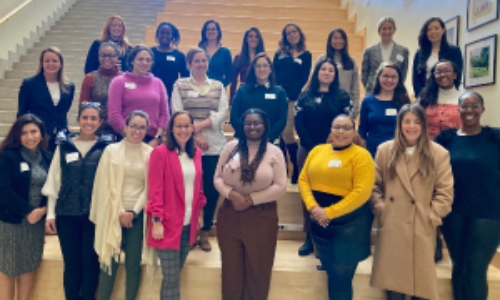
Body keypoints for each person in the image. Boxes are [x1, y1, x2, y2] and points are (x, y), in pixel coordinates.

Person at [371, 104, 453, 300]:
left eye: (417, 122)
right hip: (392, 224)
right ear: (399, 124)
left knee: (421, 288)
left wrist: (431, 217)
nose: (411, 126)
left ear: (424, 125)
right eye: (407, 121)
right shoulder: (385, 150)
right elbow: (374, 187)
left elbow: (445, 192)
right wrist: (382, 210)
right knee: (394, 286)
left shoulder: (438, 153)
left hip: (421, 226)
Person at [298, 114, 375, 300]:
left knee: (341, 280)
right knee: (331, 272)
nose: (341, 131)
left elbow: (362, 192)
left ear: (354, 131)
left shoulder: (362, 155)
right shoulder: (317, 150)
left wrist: (328, 212)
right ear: (331, 130)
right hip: (321, 223)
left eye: (347, 128)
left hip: (349, 226)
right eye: (337, 127)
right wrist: (313, 207)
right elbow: (303, 179)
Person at [214, 108, 287, 300]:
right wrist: (232, 194)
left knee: (258, 268)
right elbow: (217, 178)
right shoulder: (231, 148)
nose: (252, 127)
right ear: (242, 126)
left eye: (257, 123)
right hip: (230, 214)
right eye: (248, 123)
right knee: (231, 268)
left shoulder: (275, 152)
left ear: (265, 126)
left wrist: (251, 200)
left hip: (262, 216)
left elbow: (280, 186)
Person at [435, 92, 500, 300]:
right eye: (465, 105)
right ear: (458, 109)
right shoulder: (446, 139)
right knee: (459, 265)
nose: (469, 110)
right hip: (453, 212)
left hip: (487, 214)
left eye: (474, 105)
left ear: (482, 109)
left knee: (475, 268)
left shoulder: (495, 138)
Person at [42, 103, 108, 300]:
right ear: (78, 120)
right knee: (71, 263)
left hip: (93, 216)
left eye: (93, 118)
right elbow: (54, 180)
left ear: (100, 122)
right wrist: (51, 213)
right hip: (66, 214)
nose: (89, 122)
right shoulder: (64, 146)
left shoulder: (106, 148)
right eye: (85, 117)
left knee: (90, 262)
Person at [90, 110, 155, 300]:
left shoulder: (150, 153)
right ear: (125, 127)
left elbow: (150, 188)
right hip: (113, 211)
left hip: (137, 213)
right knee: (108, 260)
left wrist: (133, 212)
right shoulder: (111, 151)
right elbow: (105, 184)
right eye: (133, 126)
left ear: (147, 130)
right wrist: (120, 212)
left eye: (142, 127)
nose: (137, 131)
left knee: (134, 263)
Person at [171, 47, 228, 251]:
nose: (201, 64)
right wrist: (194, 134)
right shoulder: (180, 85)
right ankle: (189, 232)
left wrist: (200, 127)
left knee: (210, 193)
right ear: (189, 64)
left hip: (214, 147)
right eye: (197, 61)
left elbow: (222, 113)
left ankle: (204, 233)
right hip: (187, 146)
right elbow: (178, 112)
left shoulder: (218, 85)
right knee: (188, 191)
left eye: (204, 60)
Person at [295, 57, 352, 257]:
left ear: (335, 75)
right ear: (317, 72)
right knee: (308, 193)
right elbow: (299, 122)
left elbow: (345, 124)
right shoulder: (305, 95)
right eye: (323, 69)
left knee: (331, 192)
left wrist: (331, 145)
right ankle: (310, 236)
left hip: (336, 150)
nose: (327, 72)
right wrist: (313, 147)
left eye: (330, 70)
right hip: (308, 149)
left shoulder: (342, 96)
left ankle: (329, 236)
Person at [147, 111, 206, 300]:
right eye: (178, 126)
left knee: (173, 276)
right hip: (166, 224)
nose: (183, 130)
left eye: (187, 125)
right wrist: (156, 220)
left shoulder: (196, 152)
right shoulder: (160, 153)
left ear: (192, 128)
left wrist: (200, 215)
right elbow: (155, 190)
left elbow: (199, 187)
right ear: (171, 129)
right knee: (172, 278)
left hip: (188, 223)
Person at [0, 114, 51, 300]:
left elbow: (54, 189)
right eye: (24, 133)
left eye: (34, 131)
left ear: (41, 133)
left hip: (35, 223)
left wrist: (43, 211)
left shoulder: (48, 157)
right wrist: (27, 211)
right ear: (17, 135)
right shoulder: (8, 157)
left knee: (29, 265)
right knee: (9, 268)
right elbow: (4, 191)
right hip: (12, 222)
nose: (30, 137)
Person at [273, 23, 312, 184]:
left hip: (294, 98)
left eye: (294, 32)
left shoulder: (306, 54)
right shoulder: (280, 54)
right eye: (288, 33)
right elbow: (274, 73)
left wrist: (291, 94)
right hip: (278, 97)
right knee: (279, 133)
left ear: (299, 33)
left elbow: (304, 77)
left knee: (288, 133)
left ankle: (296, 169)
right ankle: (283, 169)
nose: (291, 35)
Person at [108, 45, 169, 146]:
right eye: (140, 59)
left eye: (148, 60)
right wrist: (132, 137)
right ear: (132, 61)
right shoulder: (118, 82)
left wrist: (157, 139)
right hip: (126, 138)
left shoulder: (158, 83)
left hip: (152, 141)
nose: (144, 63)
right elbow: (114, 115)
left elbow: (164, 114)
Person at [17, 47, 75, 152]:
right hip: (38, 135)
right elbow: (22, 113)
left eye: (54, 61)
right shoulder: (29, 84)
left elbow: (64, 110)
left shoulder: (69, 86)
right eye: (47, 60)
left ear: (60, 63)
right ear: (42, 63)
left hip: (60, 135)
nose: (50, 64)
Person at [230, 52, 287, 142]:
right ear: (253, 69)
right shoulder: (242, 91)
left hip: (270, 142)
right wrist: (249, 136)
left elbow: (281, 120)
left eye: (265, 66)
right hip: (244, 140)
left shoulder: (279, 92)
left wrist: (268, 138)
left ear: (270, 69)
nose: (262, 69)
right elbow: (234, 117)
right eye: (258, 66)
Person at [358, 62, 411, 157]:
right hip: (373, 151)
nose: (389, 80)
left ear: (399, 80)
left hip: (398, 151)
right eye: (385, 76)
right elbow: (362, 129)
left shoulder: (405, 102)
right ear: (378, 77)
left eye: (394, 77)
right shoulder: (368, 100)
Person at [79, 42, 121, 139]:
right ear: (99, 57)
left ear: (117, 57)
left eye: (111, 56)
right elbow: (83, 107)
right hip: (95, 129)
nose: (107, 59)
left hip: (120, 130)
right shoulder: (90, 77)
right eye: (103, 55)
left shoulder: (124, 78)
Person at [412, 17, 463, 97]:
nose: (433, 32)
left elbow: (458, 75)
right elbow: (416, 80)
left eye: (436, 28)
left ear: (443, 30)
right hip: (425, 97)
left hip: (448, 95)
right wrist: (421, 96)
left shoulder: (454, 50)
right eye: (429, 29)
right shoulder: (419, 53)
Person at [316, 28, 359, 117]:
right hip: (324, 104)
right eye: (335, 38)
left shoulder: (351, 61)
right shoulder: (322, 59)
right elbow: (313, 81)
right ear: (330, 41)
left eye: (341, 38)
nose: (338, 41)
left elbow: (355, 88)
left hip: (344, 105)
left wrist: (354, 110)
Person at [361, 17, 409, 95]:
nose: (387, 31)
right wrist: (370, 86)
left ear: (394, 30)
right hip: (373, 91)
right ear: (379, 31)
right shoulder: (369, 51)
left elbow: (403, 73)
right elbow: (364, 74)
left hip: (394, 92)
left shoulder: (403, 51)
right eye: (384, 28)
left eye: (390, 28)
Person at [418, 59, 462, 140]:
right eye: (438, 72)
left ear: (455, 75)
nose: (442, 74)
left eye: (447, 71)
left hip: (455, 145)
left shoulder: (463, 98)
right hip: (428, 146)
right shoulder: (425, 97)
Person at [151, 22, 190, 101]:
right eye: (162, 33)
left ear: (172, 36)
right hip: (151, 92)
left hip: (171, 94)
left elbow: (185, 77)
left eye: (168, 33)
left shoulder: (179, 55)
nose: (165, 35)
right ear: (157, 35)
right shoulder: (150, 52)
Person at [230, 27, 266, 103]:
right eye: (251, 36)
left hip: (260, 92)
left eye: (256, 37)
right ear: (246, 39)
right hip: (244, 93)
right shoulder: (238, 58)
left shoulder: (264, 58)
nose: (253, 39)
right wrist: (231, 100)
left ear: (259, 40)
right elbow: (233, 81)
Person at [198, 20, 232, 87]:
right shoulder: (198, 50)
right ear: (204, 32)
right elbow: (192, 71)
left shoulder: (225, 52)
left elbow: (230, 75)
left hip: (218, 90)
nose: (211, 32)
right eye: (208, 29)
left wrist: (221, 86)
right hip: (199, 88)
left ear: (218, 32)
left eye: (213, 29)